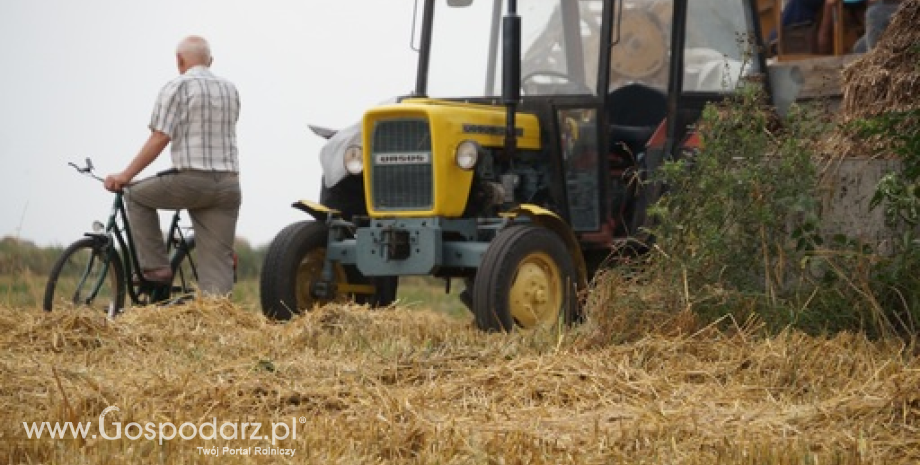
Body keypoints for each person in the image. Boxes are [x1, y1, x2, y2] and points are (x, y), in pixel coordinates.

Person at [104, 35, 242, 296]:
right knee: (218, 270)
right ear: (210, 61)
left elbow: (160, 137)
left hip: (191, 180)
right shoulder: (230, 89)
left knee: (135, 195)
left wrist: (126, 175)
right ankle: (218, 322)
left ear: (179, 60)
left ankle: (155, 268)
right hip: (228, 185)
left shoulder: (177, 87)